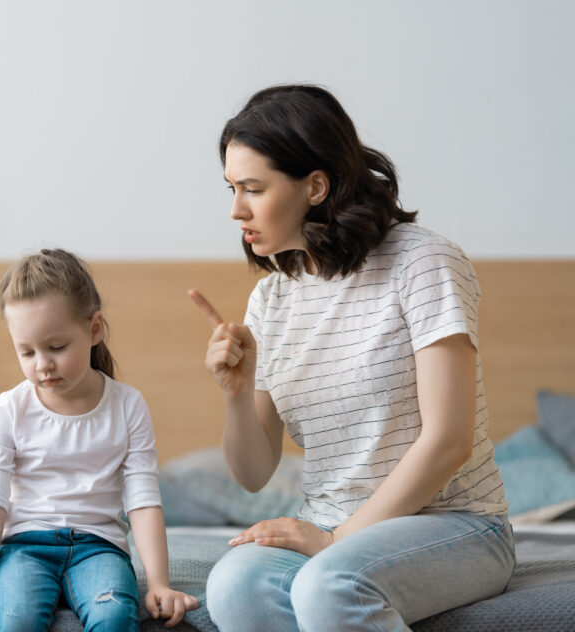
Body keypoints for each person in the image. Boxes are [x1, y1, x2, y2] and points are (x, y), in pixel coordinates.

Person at [190, 85, 515, 631]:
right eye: (230, 188)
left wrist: (339, 540)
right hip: (329, 525)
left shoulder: (422, 261)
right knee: (233, 583)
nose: (234, 209)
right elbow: (252, 473)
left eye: (252, 188)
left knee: (330, 582)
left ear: (315, 186)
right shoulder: (272, 299)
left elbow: (449, 439)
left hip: (454, 524)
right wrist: (237, 394)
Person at [0, 248, 199, 632]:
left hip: (98, 549)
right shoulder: (9, 410)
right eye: (27, 351)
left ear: (94, 329)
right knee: (16, 620)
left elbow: (143, 502)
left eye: (57, 347)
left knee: (115, 616)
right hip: (23, 549)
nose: (42, 365)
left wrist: (159, 582)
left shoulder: (127, 406)